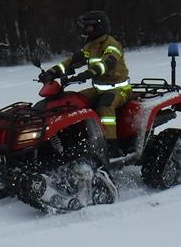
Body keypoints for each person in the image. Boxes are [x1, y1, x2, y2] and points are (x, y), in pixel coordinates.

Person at [40, 11, 131, 157]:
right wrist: (52, 72)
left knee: (105, 106)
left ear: (99, 27)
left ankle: (111, 147)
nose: (85, 30)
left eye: (89, 27)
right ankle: (75, 139)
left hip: (119, 89)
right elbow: (72, 61)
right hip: (98, 88)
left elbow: (108, 62)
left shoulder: (112, 44)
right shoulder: (90, 46)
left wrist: (90, 73)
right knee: (71, 101)